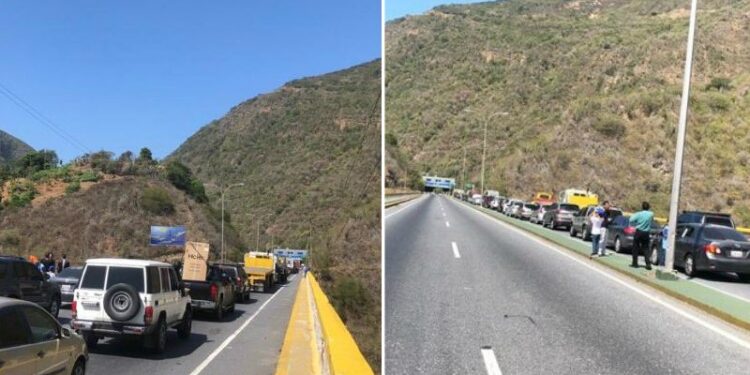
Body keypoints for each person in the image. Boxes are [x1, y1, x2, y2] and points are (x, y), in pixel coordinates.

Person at [629, 201, 654, 270]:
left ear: (642, 207)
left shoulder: (639, 214)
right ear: (648, 207)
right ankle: (648, 264)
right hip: (646, 232)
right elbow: (652, 219)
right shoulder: (651, 214)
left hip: (639, 231)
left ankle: (635, 263)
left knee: (635, 247)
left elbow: (631, 220)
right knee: (646, 248)